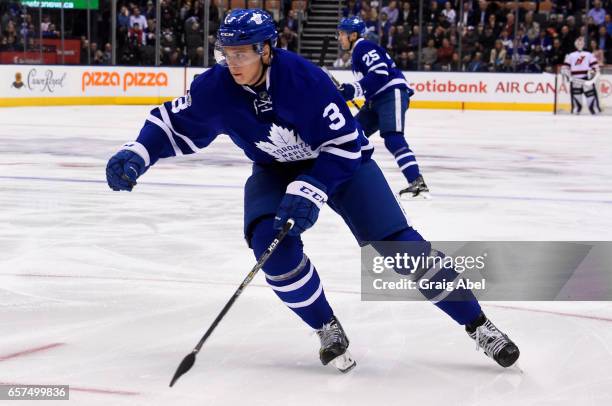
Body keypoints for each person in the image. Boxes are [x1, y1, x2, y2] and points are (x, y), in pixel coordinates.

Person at [106, 9, 520, 373]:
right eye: (227, 53)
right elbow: (170, 123)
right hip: (274, 170)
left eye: (243, 53)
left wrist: (312, 187)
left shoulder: (305, 80)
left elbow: (345, 144)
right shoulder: (215, 86)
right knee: (270, 244)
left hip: (343, 165)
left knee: (400, 248)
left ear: (267, 49)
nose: (233, 63)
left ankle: (479, 325)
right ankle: (325, 326)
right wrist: (138, 151)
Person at [335, 16, 429, 199]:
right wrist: (351, 91)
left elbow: (380, 74)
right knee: (352, 135)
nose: (339, 38)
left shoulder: (363, 46)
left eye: (341, 34)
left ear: (353, 35)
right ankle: (347, 178)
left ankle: (416, 181)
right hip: (376, 100)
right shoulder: (357, 52)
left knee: (393, 137)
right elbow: (371, 81)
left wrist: (352, 90)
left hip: (390, 94)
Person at [561, 37, 601, 115]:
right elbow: (565, 68)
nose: (580, 44)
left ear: (584, 44)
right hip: (576, 80)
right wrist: (567, 76)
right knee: (576, 104)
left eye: (581, 42)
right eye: (578, 43)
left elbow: (596, 67)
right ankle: (576, 113)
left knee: (592, 102)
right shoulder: (570, 55)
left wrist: (592, 74)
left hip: (587, 80)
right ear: (575, 44)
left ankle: (595, 112)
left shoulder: (589, 54)